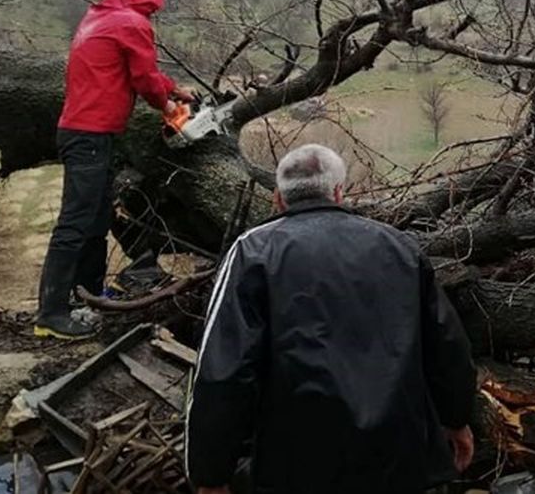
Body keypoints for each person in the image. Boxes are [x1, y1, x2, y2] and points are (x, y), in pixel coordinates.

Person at [186, 144, 477, 494]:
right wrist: (456, 419)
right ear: (340, 192)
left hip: (297, 466)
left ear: (278, 199)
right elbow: (446, 346)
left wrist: (210, 473)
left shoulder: (253, 252)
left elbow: (224, 371)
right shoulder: (398, 246)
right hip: (400, 457)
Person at [34, 0, 192, 340]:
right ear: (146, 4)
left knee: (96, 218)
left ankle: (88, 295)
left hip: (88, 131)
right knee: (75, 222)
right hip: (89, 133)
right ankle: (51, 313)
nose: (151, 17)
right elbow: (143, 78)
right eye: (151, 10)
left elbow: (140, 69)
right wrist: (169, 106)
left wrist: (177, 89)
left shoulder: (99, 18)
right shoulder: (132, 23)